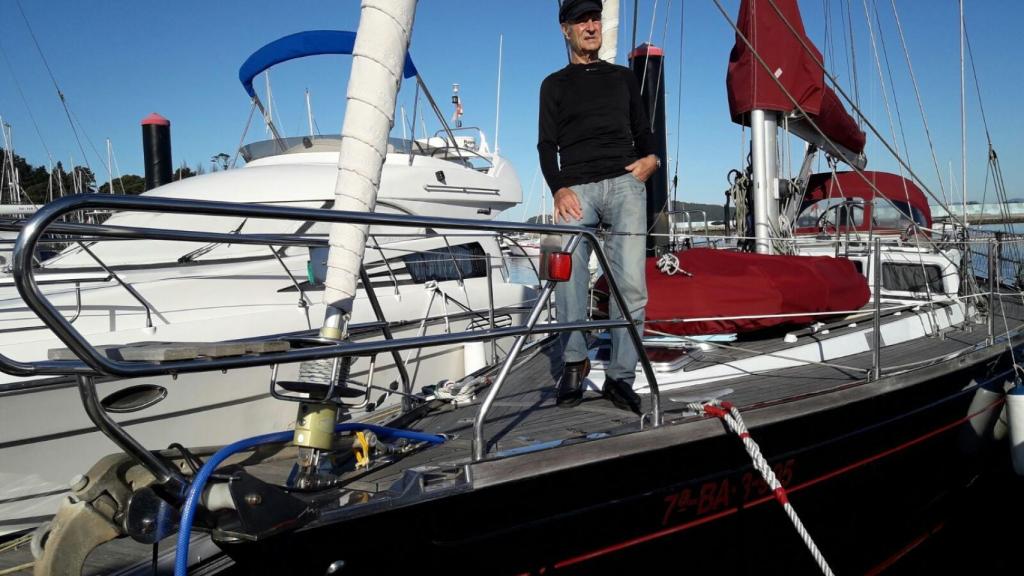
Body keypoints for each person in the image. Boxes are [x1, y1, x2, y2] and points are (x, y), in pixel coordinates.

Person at [537, 0, 660, 414]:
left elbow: (644, 130)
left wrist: (652, 160)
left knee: (631, 288)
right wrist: (558, 190)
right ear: (565, 30)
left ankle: (620, 377)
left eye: (595, 19)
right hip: (577, 190)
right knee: (567, 275)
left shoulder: (623, 78)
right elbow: (546, 145)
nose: (591, 26)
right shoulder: (553, 84)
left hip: (625, 184)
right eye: (581, 21)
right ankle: (574, 362)